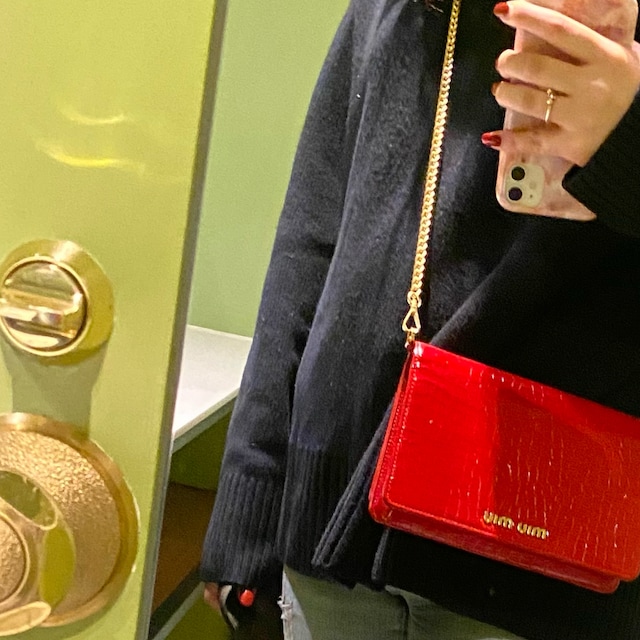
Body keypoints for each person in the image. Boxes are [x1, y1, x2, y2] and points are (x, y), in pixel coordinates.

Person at [201, 0, 640, 638]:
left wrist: (628, 138)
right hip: (329, 532)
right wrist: (251, 505)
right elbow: (315, 239)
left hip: (549, 553)